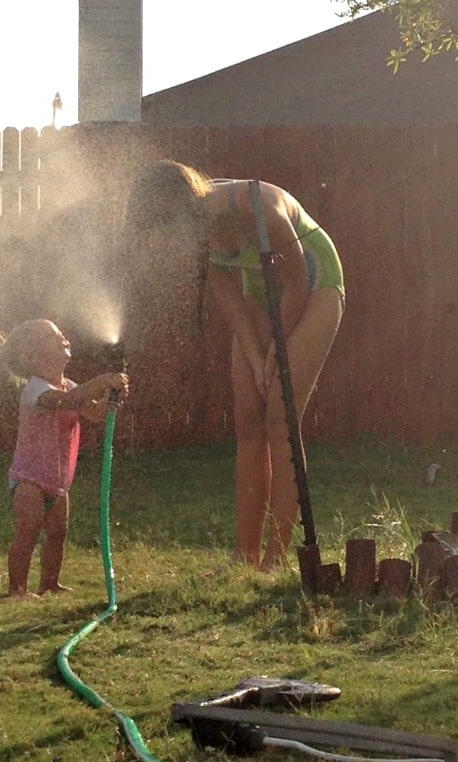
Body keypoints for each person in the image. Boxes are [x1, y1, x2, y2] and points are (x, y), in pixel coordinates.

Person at [123, 161, 344, 570]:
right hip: (261, 292)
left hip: (315, 284)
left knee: (280, 419)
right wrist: (257, 357)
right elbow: (233, 302)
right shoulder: (196, 234)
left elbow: (296, 281)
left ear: (182, 209)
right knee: (248, 421)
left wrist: (278, 353)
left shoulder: (253, 206)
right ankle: (244, 557)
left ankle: (276, 558)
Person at [1, 319, 129, 598]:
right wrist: (100, 382)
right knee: (29, 532)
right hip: (29, 479)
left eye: (62, 333)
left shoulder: (69, 386)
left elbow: (92, 413)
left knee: (58, 533)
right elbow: (65, 403)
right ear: (31, 356)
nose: (64, 338)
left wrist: (111, 400)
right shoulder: (35, 388)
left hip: (59, 481)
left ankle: (49, 583)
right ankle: (17, 589)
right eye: (53, 336)